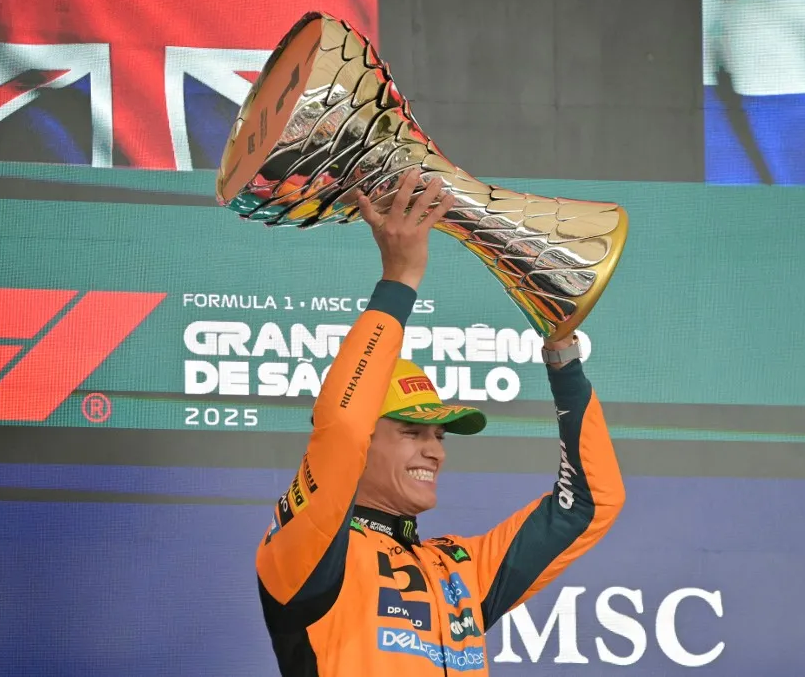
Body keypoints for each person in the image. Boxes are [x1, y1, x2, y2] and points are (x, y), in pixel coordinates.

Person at [255, 170, 626, 676]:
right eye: (411, 432)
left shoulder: (461, 572)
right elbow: (341, 427)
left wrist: (563, 355)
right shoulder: (310, 551)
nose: (435, 451)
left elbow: (588, 504)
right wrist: (399, 280)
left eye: (438, 435)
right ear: (366, 441)